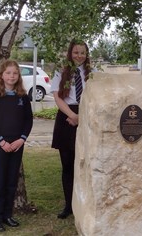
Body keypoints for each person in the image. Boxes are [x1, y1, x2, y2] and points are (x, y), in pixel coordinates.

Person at [0, 60, 33, 232]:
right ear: (1, 75)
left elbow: (28, 120)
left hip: (17, 145)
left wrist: (21, 139)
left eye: (15, 73)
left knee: (12, 181)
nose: (11, 76)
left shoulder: (23, 97)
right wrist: (2, 142)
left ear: (19, 76)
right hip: (0, 145)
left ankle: (7, 215)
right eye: (8, 73)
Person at [51, 40, 91, 219]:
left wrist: (81, 117)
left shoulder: (93, 74)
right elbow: (57, 98)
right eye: (76, 52)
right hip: (66, 117)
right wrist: (73, 115)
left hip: (87, 117)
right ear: (70, 53)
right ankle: (69, 205)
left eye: (82, 52)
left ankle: (84, 204)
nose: (79, 56)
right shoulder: (61, 72)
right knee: (67, 165)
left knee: (84, 164)